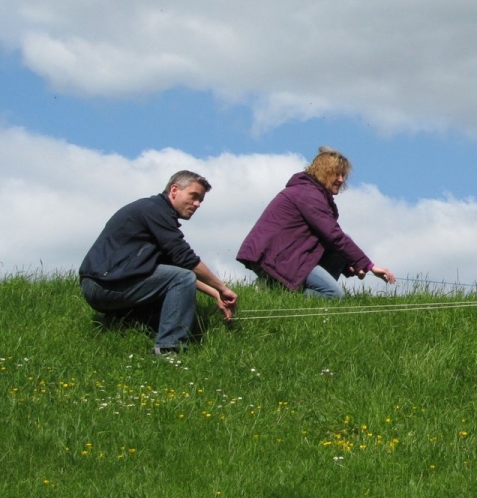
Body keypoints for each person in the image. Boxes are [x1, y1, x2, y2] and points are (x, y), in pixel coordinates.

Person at [79, 171, 238, 355]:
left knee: (182, 311)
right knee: (182, 278)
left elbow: (174, 269)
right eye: (193, 196)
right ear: (174, 190)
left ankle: (125, 325)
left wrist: (216, 293)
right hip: (105, 285)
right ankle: (168, 349)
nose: (197, 204)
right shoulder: (155, 210)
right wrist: (223, 287)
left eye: (201, 201)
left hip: (105, 284)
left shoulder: (154, 212)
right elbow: (184, 259)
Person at [237, 147, 396, 299]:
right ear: (323, 172)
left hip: (289, 257)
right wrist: (369, 266)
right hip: (277, 259)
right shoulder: (309, 195)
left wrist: (350, 265)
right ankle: (278, 291)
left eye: (343, 175)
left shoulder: (314, 194)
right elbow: (334, 235)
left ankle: (281, 290)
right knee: (333, 296)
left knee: (338, 253)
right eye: (336, 174)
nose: (341, 179)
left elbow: (326, 242)